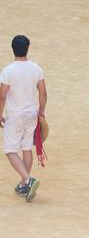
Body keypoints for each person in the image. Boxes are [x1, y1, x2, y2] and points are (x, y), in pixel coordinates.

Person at [0, 34, 46, 202]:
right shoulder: (36, 68)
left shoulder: (8, 70)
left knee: (10, 151)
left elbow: (2, 96)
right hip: (31, 114)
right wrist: (42, 111)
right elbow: (43, 92)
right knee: (27, 148)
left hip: (15, 115)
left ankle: (28, 180)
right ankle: (24, 184)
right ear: (27, 48)